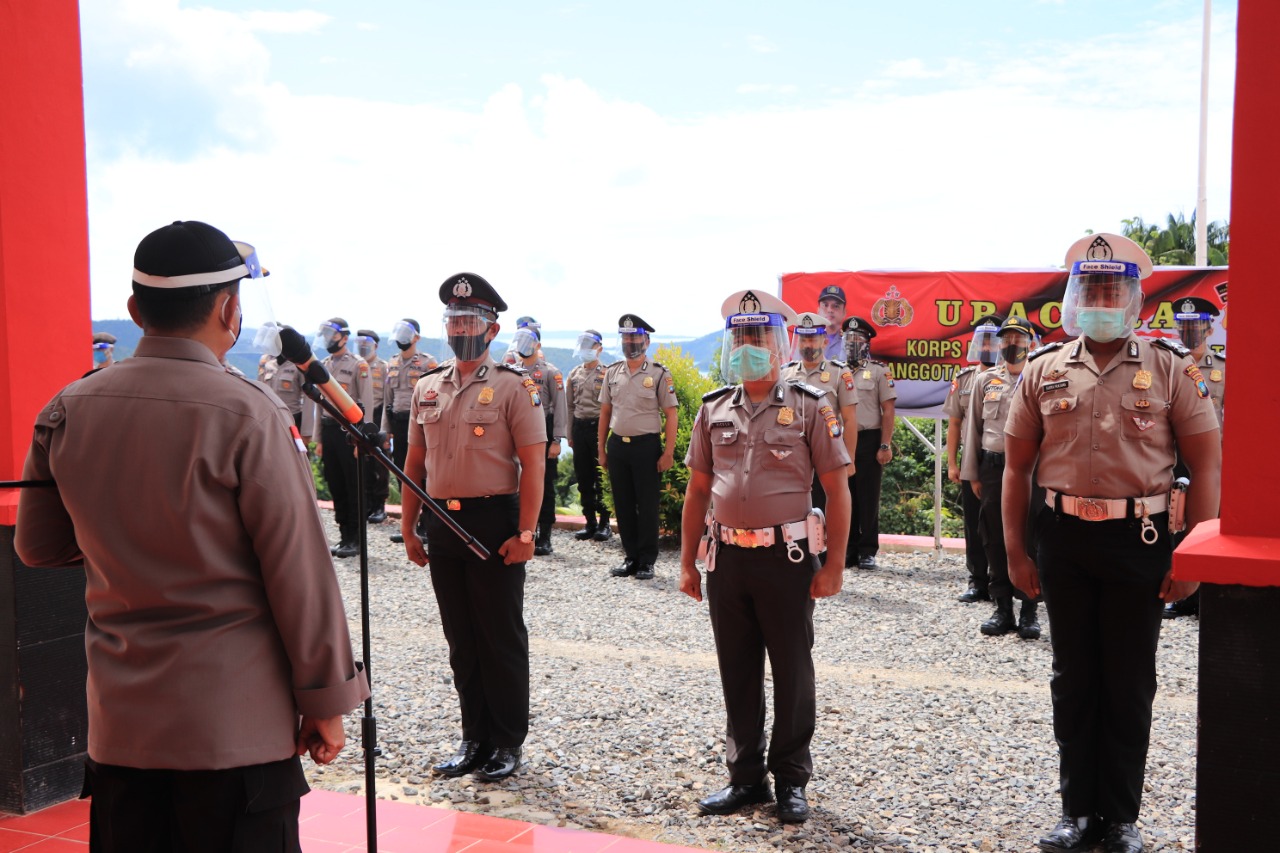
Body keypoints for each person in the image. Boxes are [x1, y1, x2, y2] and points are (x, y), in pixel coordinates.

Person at [15, 220, 369, 851]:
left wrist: (127, 540)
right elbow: (299, 574)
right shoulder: (249, 412)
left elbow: (37, 546)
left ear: (134, 310)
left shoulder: (67, 407)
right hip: (234, 733)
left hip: (122, 730)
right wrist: (327, 700)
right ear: (230, 311)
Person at [1002, 232, 1221, 853]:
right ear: (1075, 298)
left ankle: (1120, 817)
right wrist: (1016, 552)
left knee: (1128, 680)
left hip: (1140, 538)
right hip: (1063, 538)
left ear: (1134, 300)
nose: (1101, 300)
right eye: (1090, 289)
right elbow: (1016, 469)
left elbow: (1206, 465)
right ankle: (1077, 812)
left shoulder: (1169, 369)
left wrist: (1193, 556)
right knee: (1073, 677)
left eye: (1112, 290)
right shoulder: (1043, 370)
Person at [680, 289, 851, 825]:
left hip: (788, 557)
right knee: (737, 669)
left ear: (778, 346)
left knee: (792, 672)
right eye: (740, 339)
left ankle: (792, 779)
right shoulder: (713, 408)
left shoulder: (808, 405)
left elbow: (837, 489)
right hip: (727, 559)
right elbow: (697, 490)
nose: (747, 348)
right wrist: (687, 562)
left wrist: (836, 565)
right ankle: (745, 777)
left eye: (757, 338)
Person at [399, 272, 546, 782]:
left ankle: (507, 742)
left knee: (499, 636)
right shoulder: (427, 385)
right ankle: (473, 738)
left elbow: (534, 465)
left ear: (491, 329)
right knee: (461, 638)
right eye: (454, 319)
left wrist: (526, 533)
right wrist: (409, 527)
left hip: (493, 522)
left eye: (471, 320)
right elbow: (414, 463)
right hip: (440, 521)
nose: (461, 327)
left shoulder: (514, 386)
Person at [961, 316, 1041, 639]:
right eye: (1006, 340)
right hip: (993, 470)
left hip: (1032, 471)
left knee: (1030, 536)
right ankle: (1002, 608)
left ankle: (1030, 611)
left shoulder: (1040, 377)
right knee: (993, 535)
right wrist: (972, 474)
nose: (1011, 346)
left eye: (1018, 340)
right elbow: (973, 431)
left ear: (1030, 344)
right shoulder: (985, 380)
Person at [598, 314, 678, 580]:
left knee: (647, 505)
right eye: (626, 337)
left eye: (635, 337)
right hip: (618, 446)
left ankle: (646, 561)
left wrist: (668, 452)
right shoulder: (612, 372)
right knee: (623, 504)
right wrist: (602, 449)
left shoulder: (658, 374)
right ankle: (630, 557)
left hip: (646, 447)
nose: (630, 342)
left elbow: (671, 414)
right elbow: (605, 413)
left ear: (646, 340)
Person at [1163, 295, 1226, 619]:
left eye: (1196, 325)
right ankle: (1181, 592)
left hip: (1213, 461)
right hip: (1173, 459)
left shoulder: (1223, 368)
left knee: (1210, 524)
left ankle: (1207, 596)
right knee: (1175, 524)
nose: (1190, 332)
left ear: (1209, 326)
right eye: (1183, 326)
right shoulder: (1167, 365)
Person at [945, 316, 1000, 602]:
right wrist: (953, 463)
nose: (989, 345)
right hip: (971, 459)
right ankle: (977, 581)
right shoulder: (964, 378)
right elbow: (955, 423)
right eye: (985, 340)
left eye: (994, 340)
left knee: (1003, 522)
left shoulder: (1011, 377)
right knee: (973, 522)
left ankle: (1003, 582)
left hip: (999, 457)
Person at [781, 311, 857, 514]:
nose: (807, 345)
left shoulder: (840, 372)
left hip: (827, 454)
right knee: (792, 512)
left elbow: (849, 420)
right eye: (803, 339)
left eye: (813, 339)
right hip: (792, 455)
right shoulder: (784, 373)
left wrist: (849, 460)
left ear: (824, 342)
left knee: (827, 511)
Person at [312, 317, 374, 558]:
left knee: (353, 487)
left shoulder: (359, 365)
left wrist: (363, 439)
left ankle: (357, 540)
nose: (328, 340)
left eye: (332, 335)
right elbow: (320, 405)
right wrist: (318, 439)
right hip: (329, 431)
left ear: (344, 338)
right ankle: (344, 535)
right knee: (336, 484)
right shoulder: (323, 364)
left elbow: (366, 404)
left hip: (350, 433)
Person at [510, 316, 567, 556]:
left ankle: (544, 536)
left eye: (528, 340)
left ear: (538, 345)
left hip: (542, 432)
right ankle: (520, 530)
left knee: (544, 486)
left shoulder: (549, 373)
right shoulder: (511, 371)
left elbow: (561, 407)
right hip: (516, 432)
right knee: (513, 482)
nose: (523, 344)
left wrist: (557, 440)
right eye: (520, 339)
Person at [843, 316, 897, 569]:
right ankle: (848, 549)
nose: (852, 344)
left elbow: (888, 410)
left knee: (868, 497)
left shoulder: (878, 371)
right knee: (845, 496)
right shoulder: (836, 370)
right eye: (848, 340)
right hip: (841, 441)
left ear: (867, 344)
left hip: (869, 439)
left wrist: (885, 444)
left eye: (858, 340)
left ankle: (867, 550)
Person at [382, 318, 435, 545]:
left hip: (420, 425)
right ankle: (410, 525)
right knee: (403, 474)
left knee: (422, 474)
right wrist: (386, 430)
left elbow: (434, 396)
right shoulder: (391, 363)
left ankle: (426, 524)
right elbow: (387, 399)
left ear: (417, 338)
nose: (402, 338)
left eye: (407, 333)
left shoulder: (427, 363)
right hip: (398, 422)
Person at [566, 329, 611, 541]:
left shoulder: (607, 373)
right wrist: (569, 434)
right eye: (582, 344)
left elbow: (612, 407)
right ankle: (590, 522)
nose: (585, 349)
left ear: (599, 349)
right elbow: (568, 407)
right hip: (579, 428)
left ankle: (604, 524)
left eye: (589, 345)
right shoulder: (574, 374)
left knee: (601, 479)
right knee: (583, 479)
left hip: (599, 428)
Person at [357, 329, 390, 524]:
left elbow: (387, 396)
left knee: (381, 462)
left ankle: (379, 506)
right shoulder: (355, 364)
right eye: (360, 342)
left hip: (378, 415)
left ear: (375, 346)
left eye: (367, 343)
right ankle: (367, 503)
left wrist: (386, 425)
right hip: (358, 416)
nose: (363, 346)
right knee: (363, 462)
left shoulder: (383, 367)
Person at [259, 335, 316, 443]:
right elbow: (260, 393)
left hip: (292, 421)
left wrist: (306, 432)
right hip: (269, 421)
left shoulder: (299, 365)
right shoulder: (268, 364)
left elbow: (309, 400)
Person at [815, 284, 848, 360]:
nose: (830, 310)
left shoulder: (851, 343)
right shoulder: (808, 339)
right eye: (825, 305)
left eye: (836, 306)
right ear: (818, 311)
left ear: (844, 312)